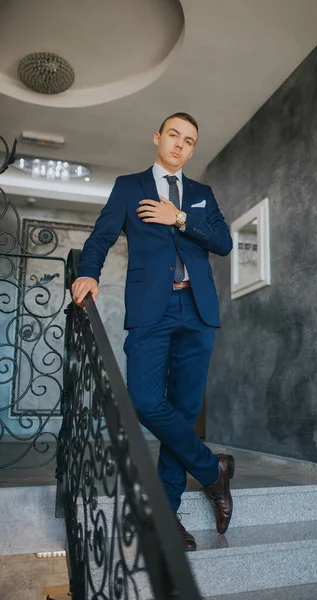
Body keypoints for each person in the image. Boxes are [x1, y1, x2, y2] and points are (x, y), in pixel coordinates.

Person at [72, 112, 234, 551]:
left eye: (190, 141)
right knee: (145, 401)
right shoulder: (130, 187)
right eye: (174, 136)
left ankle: (168, 514)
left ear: (193, 149)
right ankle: (211, 471)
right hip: (152, 309)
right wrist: (88, 273)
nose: (180, 145)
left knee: (181, 414)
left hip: (197, 310)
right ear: (158, 137)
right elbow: (102, 236)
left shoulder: (200, 195)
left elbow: (223, 242)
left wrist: (179, 216)